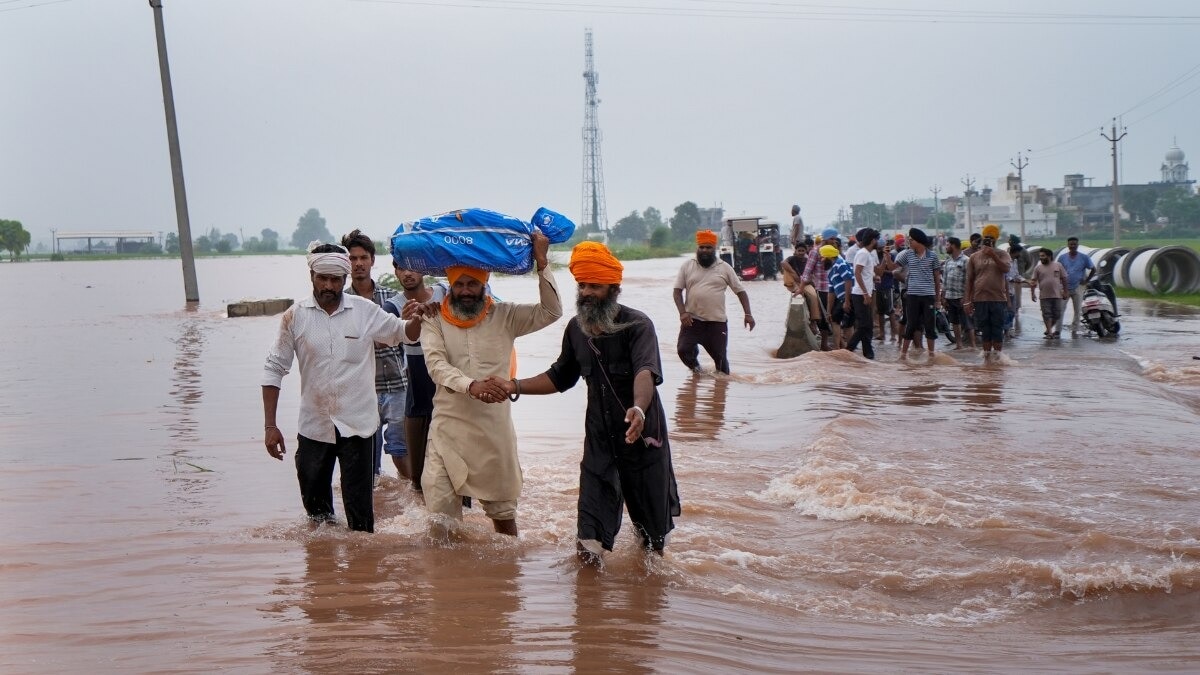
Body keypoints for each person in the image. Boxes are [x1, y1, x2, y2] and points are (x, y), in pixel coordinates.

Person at [492, 242, 681, 561]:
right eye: (582, 285)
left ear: (614, 289)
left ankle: (647, 603)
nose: (587, 292)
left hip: (643, 437)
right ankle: (590, 599)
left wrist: (638, 408)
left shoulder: (639, 325)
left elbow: (645, 370)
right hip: (600, 442)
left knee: (651, 544)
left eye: (595, 285)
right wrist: (513, 384)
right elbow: (560, 376)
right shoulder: (575, 330)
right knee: (588, 543)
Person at [415, 232, 562, 537]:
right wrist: (471, 386)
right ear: (450, 286)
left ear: (484, 284)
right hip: (447, 433)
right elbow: (436, 366)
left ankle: (504, 582)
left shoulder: (505, 315)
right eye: (459, 284)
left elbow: (552, 312)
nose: (466, 291)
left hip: (493, 433)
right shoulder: (434, 319)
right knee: (440, 523)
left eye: (473, 284)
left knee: (505, 522)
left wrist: (543, 263)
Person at [261, 242, 411, 533]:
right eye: (322, 278)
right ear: (312, 275)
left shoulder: (365, 311)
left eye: (335, 279)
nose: (329, 285)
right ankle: (321, 574)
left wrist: (417, 318)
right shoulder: (295, 316)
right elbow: (274, 368)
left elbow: (401, 333)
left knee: (361, 525)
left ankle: (361, 574)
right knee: (317, 522)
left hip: (358, 427)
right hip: (314, 427)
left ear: (345, 280)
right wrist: (270, 425)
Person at [341, 229, 409, 484]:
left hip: (397, 385)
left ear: (372, 260)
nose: (358, 263)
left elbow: (405, 339)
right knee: (367, 457)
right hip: (361, 390)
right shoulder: (342, 302)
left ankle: (409, 500)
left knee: (401, 451)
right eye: (353, 258)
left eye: (363, 258)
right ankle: (374, 509)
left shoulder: (390, 299)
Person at [382, 262, 447, 492]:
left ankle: (465, 526)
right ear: (395, 272)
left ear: (424, 266)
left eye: (412, 266)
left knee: (460, 479)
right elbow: (383, 339)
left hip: (451, 394)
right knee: (418, 483)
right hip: (417, 396)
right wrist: (405, 323)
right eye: (401, 267)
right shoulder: (394, 306)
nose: (407, 273)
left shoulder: (444, 292)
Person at [673, 230, 755, 374]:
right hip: (692, 321)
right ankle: (697, 371)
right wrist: (682, 313)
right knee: (683, 350)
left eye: (708, 247)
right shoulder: (687, 266)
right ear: (697, 248)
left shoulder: (725, 267)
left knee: (721, 361)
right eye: (702, 247)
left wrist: (748, 314)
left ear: (714, 249)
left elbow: (741, 292)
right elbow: (677, 291)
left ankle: (722, 389)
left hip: (716, 323)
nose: (704, 250)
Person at [964, 224, 1012, 358]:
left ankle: (997, 359)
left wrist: (993, 255)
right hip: (980, 299)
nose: (989, 240)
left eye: (991, 238)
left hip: (998, 299)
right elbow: (969, 280)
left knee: (997, 330)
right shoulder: (974, 257)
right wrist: (967, 301)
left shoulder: (1003, 254)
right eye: (986, 238)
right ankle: (987, 361)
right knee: (985, 330)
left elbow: (1006, 269)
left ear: (996, 239)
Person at [895, 227, 942, 358]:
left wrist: (938, 300)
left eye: (911, 240)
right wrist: (886, 257)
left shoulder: (933, 256)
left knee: (929, 325)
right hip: (912, 295)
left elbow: (937, 280)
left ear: (918, 241)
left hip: (928, 296)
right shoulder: (907, 254)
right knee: (911, 324)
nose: (909, 242)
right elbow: (894, 267)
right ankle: (903, 355)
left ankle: (931, 355)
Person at [845, 228, 889, 360]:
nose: (879, 242)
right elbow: (857, 273)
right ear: (873, 240)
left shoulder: (869, 254)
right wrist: (865, 294)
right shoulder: (863, 254)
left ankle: (868, 354)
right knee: (864, 325)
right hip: (860, 294)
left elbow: (878, 272)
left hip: (865, 292)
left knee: (867, 326)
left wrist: (885, 260)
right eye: (877, 239)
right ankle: (849, 350)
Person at [940, 237, 976, 350]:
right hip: (950, 297)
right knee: (954, 322)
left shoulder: (966, 260)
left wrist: (967, 298)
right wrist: (943, 297)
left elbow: (970, 280)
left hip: (962, 297)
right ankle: (959, 345)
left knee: (967, 322)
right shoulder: (948, 261)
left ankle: (973, 346)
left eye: (947, 245)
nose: (945, 247)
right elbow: (944, 281)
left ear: (953, 246)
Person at [1057, 236, 1095, 338]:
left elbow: (1093, 268)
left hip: (1078, 286)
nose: (1073, 246)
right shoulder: (1062, 258)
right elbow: (1057, 271)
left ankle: (1075, 330)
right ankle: (1057, 330)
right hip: (1065, 287)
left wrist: (1086, 281)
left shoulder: (1084, 257)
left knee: (1077, 310)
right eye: (1071, 244)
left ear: (1077, 245)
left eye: (1074, 244)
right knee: (1061, 309)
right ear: (1068, 245)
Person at [820, 243, 854, 350]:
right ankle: (838, 348)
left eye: (822, 257)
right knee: (835, 319)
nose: (821, 260)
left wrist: (847, 301)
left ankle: (849, 349)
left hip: (850, 297)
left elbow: (848, 280)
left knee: (848, 325)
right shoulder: (831, 271)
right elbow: (831, 292)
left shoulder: (840, 264)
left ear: (828, 257)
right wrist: (828, 311)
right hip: (842, 299)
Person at [1029, 248, 1069, 339]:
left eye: (1043, 256)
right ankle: (1050, 333)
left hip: (1057, 295)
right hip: (1044, 296)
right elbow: (1033, 281)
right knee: (1046, 313)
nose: (1041, 258)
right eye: (1040, 256)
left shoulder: (1058, 265)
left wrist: (1066, 291)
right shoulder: (1038, 268)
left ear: (1049, 256)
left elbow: (1064, 279)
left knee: (1057, 314)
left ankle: (1049, 328)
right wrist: (1032, 293)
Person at [1008, 234, 1032, 329]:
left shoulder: (1024, 251)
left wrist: (1023, 273)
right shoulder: (1008, 252)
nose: (1009, 241)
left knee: (1016, 296)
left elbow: (1029, 263)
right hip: (1010, 279)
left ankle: (1016, 311)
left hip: (1018, 276)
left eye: (1010, 240)